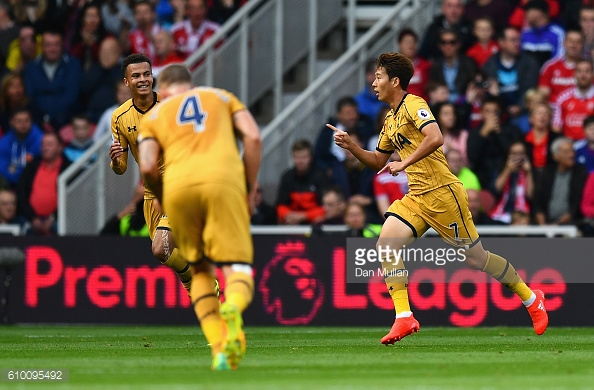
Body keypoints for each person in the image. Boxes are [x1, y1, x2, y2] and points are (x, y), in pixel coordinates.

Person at [328, 52, 548, 345]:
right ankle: (404, 316)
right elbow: (376, 160)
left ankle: (532, 298)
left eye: (379, 77)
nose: (374, 83)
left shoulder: (414, 104)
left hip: (444, 194)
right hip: (417, 195)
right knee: (386, 244)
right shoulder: (391, 120)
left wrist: (404, 164)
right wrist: (350, 145)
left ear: (395, 81)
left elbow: (436, 137)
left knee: (476, 258)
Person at [137, 63, 261, 370]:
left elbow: (148, 167)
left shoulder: (153, 116)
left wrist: (162, 197)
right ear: (191, 86)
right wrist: (249, 186)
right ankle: (232, 307)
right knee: (236, 266)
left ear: (162, 92)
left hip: (178, 188)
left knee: (200, 271)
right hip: (224, 182)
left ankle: (219, 349)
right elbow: (253, 137)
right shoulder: (221, 97)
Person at [108, 53, 193, 297]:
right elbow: (121, 168)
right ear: (127, 82)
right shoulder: (120, 117)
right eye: (136, 76)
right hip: (151, 192)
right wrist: (115, 160)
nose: (143, 79)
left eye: (147, 74)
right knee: (164, 252)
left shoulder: (171, 105)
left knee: (160, 248)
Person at [23, 30, 83, 132]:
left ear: (62, 46)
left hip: (66, 121)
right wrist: (43, 118)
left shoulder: (73, 65)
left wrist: (49, 116)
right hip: (37, 122)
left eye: (56, 45)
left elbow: (71, 95)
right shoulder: (31, 67)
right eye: (48, 45)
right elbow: (31, 96)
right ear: (41, 46)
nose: (52, 49)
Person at [16, 132, 71, 236]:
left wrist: (52, 218)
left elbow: (72, 199)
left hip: (58, 219)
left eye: (49, 144)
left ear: (60, 147)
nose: (45, 148)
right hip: (30, 218)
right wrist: (32, 218)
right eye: (43, 144)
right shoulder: (32, 166)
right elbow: (21, 194)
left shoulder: (68, 168)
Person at [534, 137, 588, 225]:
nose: (571, 155)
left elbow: (577, 204)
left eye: (572, 151)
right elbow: (537, 202)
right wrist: (542, 224)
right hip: (546, 222)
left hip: (571, 222)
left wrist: (557, 224)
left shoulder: (580, 173)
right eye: (566, 152)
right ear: (556, 156)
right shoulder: (546, 173)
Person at [277, 139, 327, 225]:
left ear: (310, 158)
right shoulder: (287, 176)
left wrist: (304, 216)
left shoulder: (320, 176)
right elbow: (280, 205)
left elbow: (325, 207)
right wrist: (287, 215)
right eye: (297, 157)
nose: (300, 161)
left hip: (315, 225)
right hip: (291, 224)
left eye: (304, 157)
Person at [490, 141, 534, 224]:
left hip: (522, 214)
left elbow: (530, 195)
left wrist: (528, 172)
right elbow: (496, 190)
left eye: (521, 153)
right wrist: (507, 170)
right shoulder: (501, 169)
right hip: (501, 214)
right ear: (508, 155)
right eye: (514, 153)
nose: (517, 157)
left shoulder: (529, 172)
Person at [0, 108, 43, 188]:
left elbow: (39, 168)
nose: (23, 124)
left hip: (34, 183)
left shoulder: (41, 141)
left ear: (31, 121)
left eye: (26, 121)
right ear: (11, 123)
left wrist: (15, 170)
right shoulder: (4, 142)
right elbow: (2, 167)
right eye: (19, 121)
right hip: (9, 183)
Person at [552, 59, 594, 140]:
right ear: (574, 74)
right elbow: (556, 127)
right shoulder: (562, 97)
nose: (583, 75)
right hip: (569, 145)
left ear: (593, 74)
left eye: (587, 71)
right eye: (579, 71)